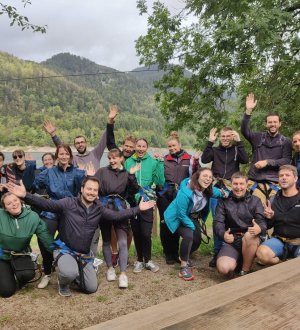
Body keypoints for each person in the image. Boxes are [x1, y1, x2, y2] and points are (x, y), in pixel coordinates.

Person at [6, 177, 156, 297]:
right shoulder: (68, 203)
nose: (91, 192)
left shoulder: (99, 209)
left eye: (95, 190)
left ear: (98, 193)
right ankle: (64, 282)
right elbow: (46, 205)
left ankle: (75, 273)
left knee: (91, 289)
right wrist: (25, 195)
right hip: (65, 250)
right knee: (68, 272)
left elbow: (117, 216)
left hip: (83, 254)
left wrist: (138, 209)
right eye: (89, 189)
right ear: (82, 189)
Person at [31, 144, 87, 289]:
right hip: (52, 208)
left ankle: (70, 269)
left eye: (66, 154)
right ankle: (48, 272)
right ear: (57, 156)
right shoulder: (49, 172)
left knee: (70, 239)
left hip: (70, 210)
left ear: (70, 156)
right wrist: (35, 168)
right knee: (44, 238)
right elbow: (35, 185)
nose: (63, 156)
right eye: (61, 154)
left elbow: (85, 190)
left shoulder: (77, 172)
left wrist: (89, 174)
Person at [201, 127, 249, 267]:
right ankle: (217, 253)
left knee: (234, 218)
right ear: (220, 137)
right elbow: (204, 159)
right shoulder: (215, 150)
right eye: (223, 136)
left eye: (228, 136)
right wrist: (210, 141)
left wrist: (239, 141)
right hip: (217, 186)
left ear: (232, 137)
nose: (226, 138)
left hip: (233, 188)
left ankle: (236, 251)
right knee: (218, 221)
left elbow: (245, 160)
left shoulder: (236, 149)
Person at [164, 168, 223, 280]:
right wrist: (192, 226)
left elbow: (219, 193)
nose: (208, 179)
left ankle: (183, 255)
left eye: (210, 177)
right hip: (177, 217)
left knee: (197, 240)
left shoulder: (208, 189)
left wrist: (227, 194)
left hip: (192, 216)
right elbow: (181, 214)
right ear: (197, 177)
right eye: (205, 176)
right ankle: (183, 268)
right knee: (189, 235)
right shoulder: (185, 192)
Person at [95, 148, 140, 288]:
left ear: (121, 158)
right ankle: (110, 268)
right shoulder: (102, 171)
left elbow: (134, 191)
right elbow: (92, 186)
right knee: (107, 240)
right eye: (109, 158)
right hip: (104, 208)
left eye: (114, 158)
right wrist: (89, 177)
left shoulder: (126, 174)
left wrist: (132, 175)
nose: (112, 160)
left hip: (120, 209)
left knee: (122, 242)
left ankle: (123, 274)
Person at [157, 131, 200, 265]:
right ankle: (168, 253)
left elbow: (197, 174)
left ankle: (176, 252)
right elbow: (158, 175)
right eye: (169, 146)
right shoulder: (164, 159)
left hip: (180, 195)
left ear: (179, 144)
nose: (172, 148)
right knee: (165, 223)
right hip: (165, 194)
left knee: (177, 222)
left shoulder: (190, 159)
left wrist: (197, 162)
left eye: (174, 145)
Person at [241, 93, 292, 204]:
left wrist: (267, 162)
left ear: (279, 124)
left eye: (275, 122)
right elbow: (245, 131)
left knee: (273, 215)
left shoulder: (286, 141)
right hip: (255, 181)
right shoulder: (257, 137)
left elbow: (286, 161)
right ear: (266, 124)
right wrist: (248, 111)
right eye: (270, 122)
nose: (272, 124)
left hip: (275, 183)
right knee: (255, 213)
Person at [0, 192, 53, 298]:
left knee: (28, 274)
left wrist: (58, 253)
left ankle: (16, 275)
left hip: (20, 254)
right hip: (2, 256)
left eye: (15, 200)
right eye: (9, 203)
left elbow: (46, 238)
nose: (14, 204)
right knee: (7, 292)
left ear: (20, 201)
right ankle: (7, 274)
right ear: (5, 208)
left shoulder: (33, 217)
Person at [214, 172, 267, 276]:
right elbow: (218, 222)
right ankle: (239, 259)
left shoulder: (256, 201)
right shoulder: (223, 202)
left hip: (251, 239)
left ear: (247, 184)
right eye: (235, 184)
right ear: (231, 185)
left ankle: (245, 270)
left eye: (241, 184)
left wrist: (259, 228)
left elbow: (262, 221)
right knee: (223, 268)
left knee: (249, 235)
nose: (238, 187)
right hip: (233, 240)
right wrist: (223, 234)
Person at [125, 138, 164, 273]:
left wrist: (159, 163)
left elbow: (160, 181)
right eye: (138, 146)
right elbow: (125, 181)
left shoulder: (153, 162)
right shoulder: (129, 162)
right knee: (136, 231)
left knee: (146, 233)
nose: (141, 149)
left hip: (147, 200)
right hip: (133, 202)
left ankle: (148, 260)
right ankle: (139, 260)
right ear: (135, 147)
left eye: (143, 146)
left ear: (147, 148)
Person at [106, 105, 136, 267]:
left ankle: (125, 252)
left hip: (128, 197)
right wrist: (110, 121)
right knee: (112, 225)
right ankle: (114, 252)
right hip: (113, 196)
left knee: (128, 227)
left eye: (132, 147)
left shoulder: (135, 159)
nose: (128, 149)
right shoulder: (117, 155)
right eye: (127, 146)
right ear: (123, 145)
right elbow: (110, 140)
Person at [256, 165, 300, 265]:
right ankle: (282, 265)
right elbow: (268, 226)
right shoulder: (273, 199)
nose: (283, 177)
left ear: (295, 178)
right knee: (262, 253)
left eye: (287, 175)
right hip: (279, 241)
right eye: (281, 176)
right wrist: (270, 218)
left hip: (298, 242)